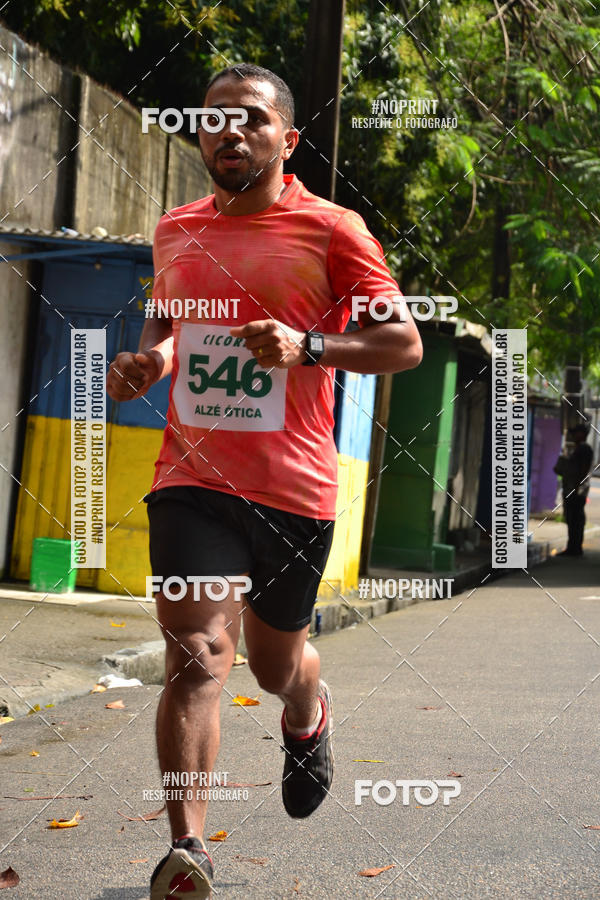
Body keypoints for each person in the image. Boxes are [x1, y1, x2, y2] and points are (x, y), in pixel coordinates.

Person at [106, 63, 422, 899]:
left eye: (251, 119)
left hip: (294, 489)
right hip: (191, 476)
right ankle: (188, 852)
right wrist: (151, 361)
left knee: (274, 665)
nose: (230, 132)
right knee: (199, 655)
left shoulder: (334, 230)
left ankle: (306, 706)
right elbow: (170, 322)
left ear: (288, 136)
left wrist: (309, 347)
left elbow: (404, 346)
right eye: (214, 119)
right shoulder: (176, 228)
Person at [553, 422, 594, 556]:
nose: (573, 435)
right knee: (572, 519)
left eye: (576, 432)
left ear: (582, 434)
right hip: (574, 488)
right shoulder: (579, 448)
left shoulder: (584, 449)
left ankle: (574, 548)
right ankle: (573, 547)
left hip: (576, 490)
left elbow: (583, 470)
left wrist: (576, 487)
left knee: (575, 519)